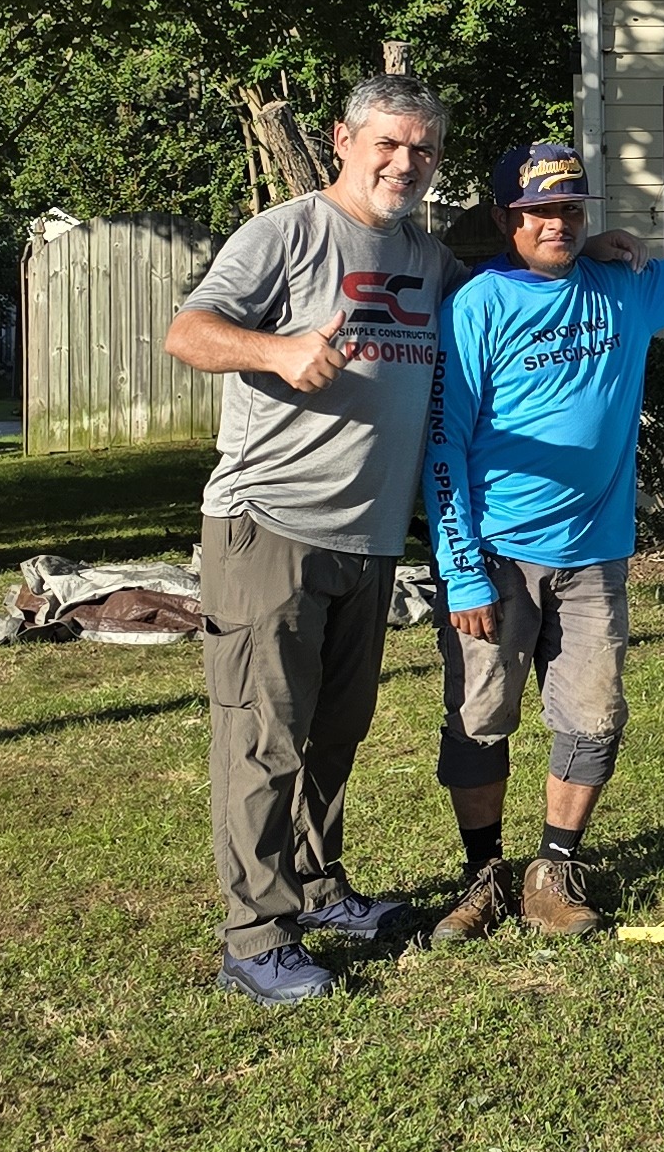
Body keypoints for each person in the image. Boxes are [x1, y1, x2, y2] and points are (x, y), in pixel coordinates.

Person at [163, 73, 472, 1004]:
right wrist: (277, 350)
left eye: (422, 149)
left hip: (369, 539)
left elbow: (508, 294)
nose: (405, 163)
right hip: (270, 528)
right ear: (343, 139)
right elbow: (187, 332)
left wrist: (600, 251)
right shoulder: (286, 234)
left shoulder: (425, 256)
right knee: (264, 738)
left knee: (336, 731)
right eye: (389, 143)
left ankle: (314, 885)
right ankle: (255, 938)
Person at [421, 143, 664, 945]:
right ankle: (483, 875)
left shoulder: (622, 288)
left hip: (594, 556)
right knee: (479, 718)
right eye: (540, 211)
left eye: (571, 210)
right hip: (497, 556)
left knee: (593, 715)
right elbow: (444, 444)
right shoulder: (477, 307)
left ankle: (552, 870)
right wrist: (462, 570)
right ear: (507, 220)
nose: (558, 224)